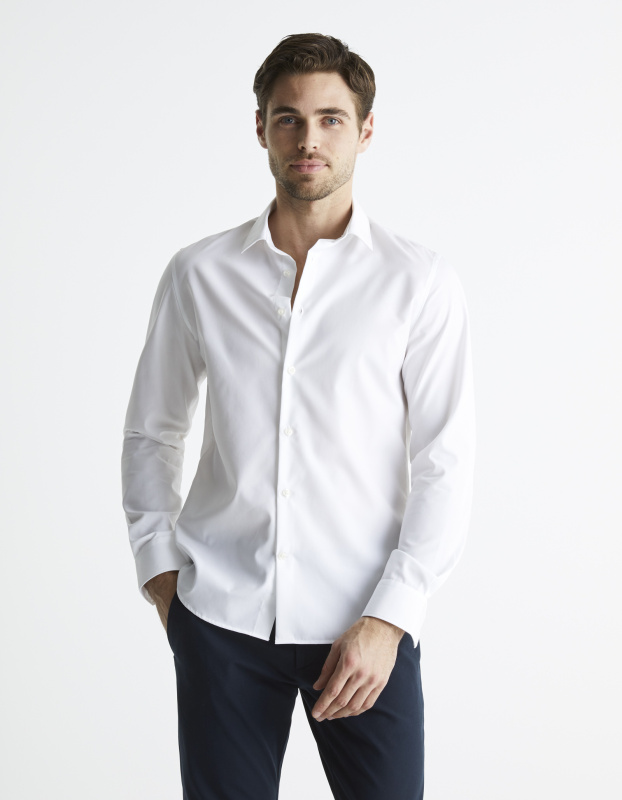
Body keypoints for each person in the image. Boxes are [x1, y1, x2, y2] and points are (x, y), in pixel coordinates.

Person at [121, 32, 476, 800]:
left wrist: (393, 619)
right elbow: (153, 431)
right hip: (221, 621)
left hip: (364, 625)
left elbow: (443, 462)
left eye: (330, 119)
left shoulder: (418, 282)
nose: (308, 138)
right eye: (288, 118)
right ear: (261, 129)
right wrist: (162, 578)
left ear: (366, 130)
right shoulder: (200, 273)